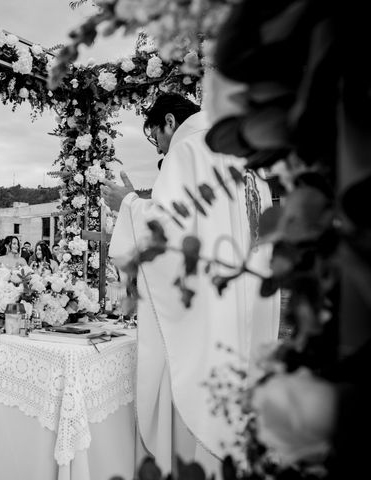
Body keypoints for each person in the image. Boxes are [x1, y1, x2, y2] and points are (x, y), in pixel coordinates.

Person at [101, 92, 280, 474]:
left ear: (169, 121)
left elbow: (170, 230)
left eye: (158, 136)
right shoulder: (244, 157)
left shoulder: (190, 148)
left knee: (195, 399)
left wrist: (128, 204)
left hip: (207, 317)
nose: (161, 147)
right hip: (245, 306)